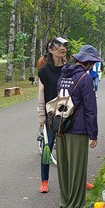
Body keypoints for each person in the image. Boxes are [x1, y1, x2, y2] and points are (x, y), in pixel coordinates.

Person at [56, 45, 101, 208]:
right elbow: (90, 108)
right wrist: (93, 133)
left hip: (61, 125)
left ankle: (64, 200)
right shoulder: (85, 78)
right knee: (77, 167)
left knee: (64, 166)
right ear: (88, 62)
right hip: (78, 128)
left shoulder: (63, 76)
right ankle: (74, 205)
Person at [37, 36, 68, 193]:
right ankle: (44, 181)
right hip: (51, 117)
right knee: (47, 148)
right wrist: (41, 117)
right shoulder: (44, 71)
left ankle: (78, 180)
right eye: (58, 46)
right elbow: (41, 94)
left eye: (64, 46)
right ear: (50, 49)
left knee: (70, 149)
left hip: (69, 115)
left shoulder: (69, 68)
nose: (63, 48)